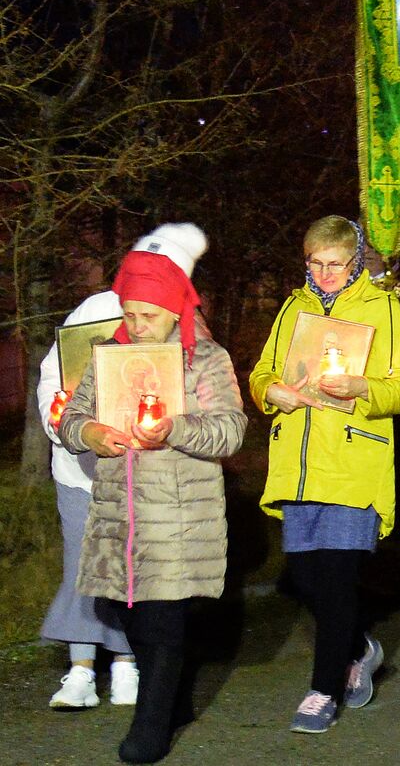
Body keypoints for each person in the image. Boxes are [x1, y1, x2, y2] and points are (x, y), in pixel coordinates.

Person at [58, 247, 245, 764]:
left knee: (162, 621)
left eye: (150, 315)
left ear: (174, 313)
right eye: (130, 313)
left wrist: (175, 429)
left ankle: (150, 728)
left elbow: (231, 430)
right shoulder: (107, 356)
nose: (138, 325)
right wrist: (90, 432)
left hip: (179, 515)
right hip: (121, 513)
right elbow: (71, 417)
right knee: (127, 613)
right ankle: (176, 698)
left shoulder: (206, 359)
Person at [251, 216, 400, 734]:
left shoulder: (382, 307)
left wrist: (362, 387)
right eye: (315, 263)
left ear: (355, 262)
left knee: (339, 581)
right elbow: (261, 373)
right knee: (305, 580)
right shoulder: (292, 307)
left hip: (353, 464)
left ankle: (322, 691)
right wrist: (268, 392)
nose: (324, 274)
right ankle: (359, 646)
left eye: (335, 264)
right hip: (299, 470)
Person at [36, 224, 207, 713]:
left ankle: (128, 661)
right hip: (84, 468)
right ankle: (82, 668)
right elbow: (56, 373)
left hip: (145, 471)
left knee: (136, 569)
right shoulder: (94, 311)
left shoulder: (183, 323)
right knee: (84, 568)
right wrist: (64, 419)